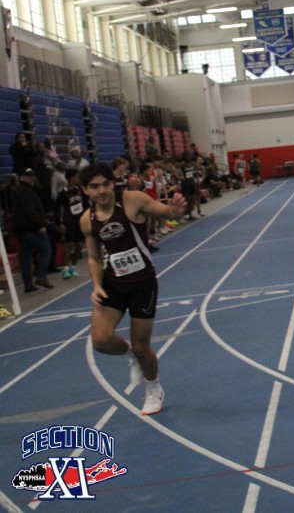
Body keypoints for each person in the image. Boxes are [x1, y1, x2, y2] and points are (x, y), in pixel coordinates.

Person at [81, 163, 186, 416]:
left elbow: (165, 211)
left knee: (143, 348)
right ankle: (131, 355)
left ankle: (153, 388)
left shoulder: (132, 200)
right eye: (95, 186)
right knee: (101, 341)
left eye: (106, 184)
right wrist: (96, 285)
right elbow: (94, 257)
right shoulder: (87, 220)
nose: (102, 190)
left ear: (113, 184)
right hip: (112, 284)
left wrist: (175, 211)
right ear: (86, 190)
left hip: (142, 284)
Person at [10, 168, 53, 293]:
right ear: (21, 178)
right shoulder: (27, 192)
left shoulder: (18, 191)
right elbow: (31, 211)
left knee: (25, 256)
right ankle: (41, 276)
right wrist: (40, 225)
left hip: (21, 229)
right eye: (29, 176)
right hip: (31, 228)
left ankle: (28, 284)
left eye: (33, 176)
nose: (32, 178)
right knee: (46, 250)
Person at [53, 168, 87, 278]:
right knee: (70, 244)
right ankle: (65, 268)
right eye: (77, 177)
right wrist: (59, 223)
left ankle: (73, 267)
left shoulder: (80, 190)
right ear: (72, 178)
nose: (79, 179)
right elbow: (56, 209)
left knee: (80, 245)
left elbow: (86, 205)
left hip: (80, 221)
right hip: (69, 221)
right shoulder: (63, 193)